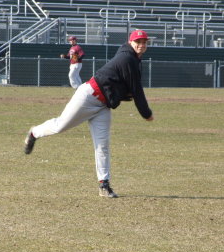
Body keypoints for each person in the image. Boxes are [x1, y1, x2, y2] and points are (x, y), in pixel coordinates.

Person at [24, 29, 154, 198]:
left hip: (103, 106)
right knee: (60, 125)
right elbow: (136, 90)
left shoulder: (132, 57)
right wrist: (146, 113)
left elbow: (124, 84)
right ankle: (34, 133)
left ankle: (104, 185)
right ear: (131, 42)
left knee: (103, 145)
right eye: (138, 42)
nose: (141, 45)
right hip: (88, 96)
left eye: (144, 42)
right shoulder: (128, 58)